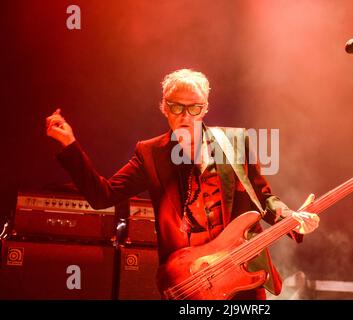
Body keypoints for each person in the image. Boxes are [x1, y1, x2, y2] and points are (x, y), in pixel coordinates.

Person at [46, 68, 320, 300]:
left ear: (205, 109)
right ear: (164, 107)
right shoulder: (150, 154)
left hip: (243, 273)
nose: (185, 116)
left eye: (194, 108)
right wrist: (69, 146)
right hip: (189, 280)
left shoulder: (236, 143)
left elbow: (263, 197)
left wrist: (291, 217)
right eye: (177, 107)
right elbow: (102, 195)